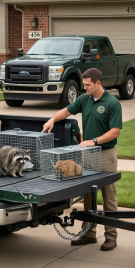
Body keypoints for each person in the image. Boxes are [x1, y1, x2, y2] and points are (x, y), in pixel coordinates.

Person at [42, 68, 122, 250]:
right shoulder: (85, 99)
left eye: (87, 85)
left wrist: (94, 141)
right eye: (83, 84)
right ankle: (88, 234)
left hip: (105, 154)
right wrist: (53, 119)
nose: (84, 87)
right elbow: (67, 111)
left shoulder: (112, 103)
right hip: (88, 155)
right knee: (88, 195)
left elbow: (115, 131)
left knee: (108, 196)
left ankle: (111, 237)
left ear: (98, 83)